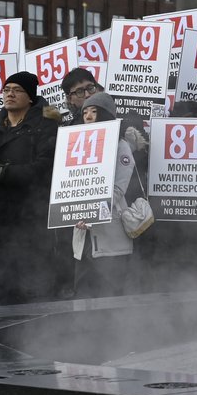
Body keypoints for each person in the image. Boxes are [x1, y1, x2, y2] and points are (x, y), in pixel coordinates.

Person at [0, 71, 60, 306]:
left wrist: (4, 172)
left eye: (17, 90)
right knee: (1, 290)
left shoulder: (46, 125)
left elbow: (45, 168)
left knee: (31, 291)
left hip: (31, 220)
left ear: (30, 96)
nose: (9, 94)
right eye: (6, 89)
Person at [69, 91, 137, 298]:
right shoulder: (76, 146)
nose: (88, 116)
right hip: (83, 237)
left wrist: (90, 212)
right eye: (85, 112)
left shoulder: (120, 145)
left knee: (109, 298)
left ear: (106, 114)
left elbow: (118, 189)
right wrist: (73, 211)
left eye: (94, 111)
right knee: (82, 297)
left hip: (110, 238)